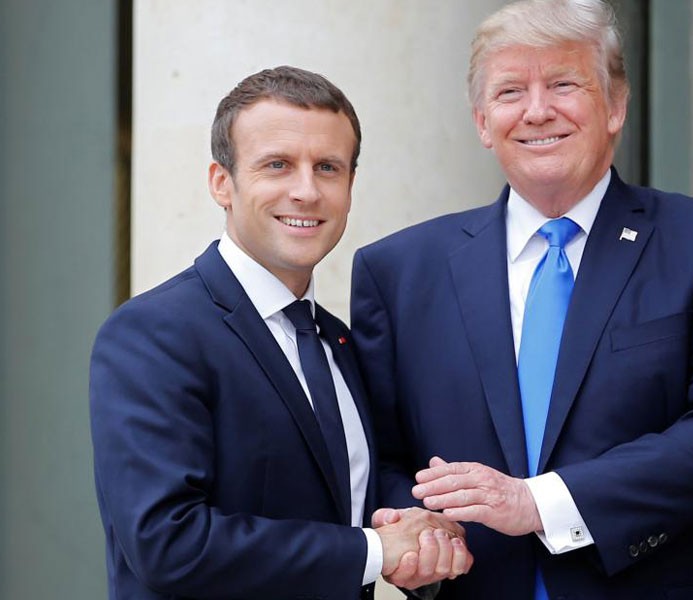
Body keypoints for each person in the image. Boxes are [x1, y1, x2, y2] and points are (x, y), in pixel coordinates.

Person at [350, 1, 693, 598]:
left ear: (616, 105)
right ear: (482, 122)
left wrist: (538, 503)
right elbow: (378, 457)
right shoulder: (398, 271)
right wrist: (417, 537)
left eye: (563, 84)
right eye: (510, 91)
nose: (537, 110)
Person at [90, 66, 471, 600]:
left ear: (350, 186)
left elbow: (345, 495)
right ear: (221, 182)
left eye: (328, 167)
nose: (306, 191)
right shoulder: (152, 334)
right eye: (277, 165)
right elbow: (169, 543)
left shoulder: (337, 340)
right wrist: (376, 550)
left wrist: (424, 535)